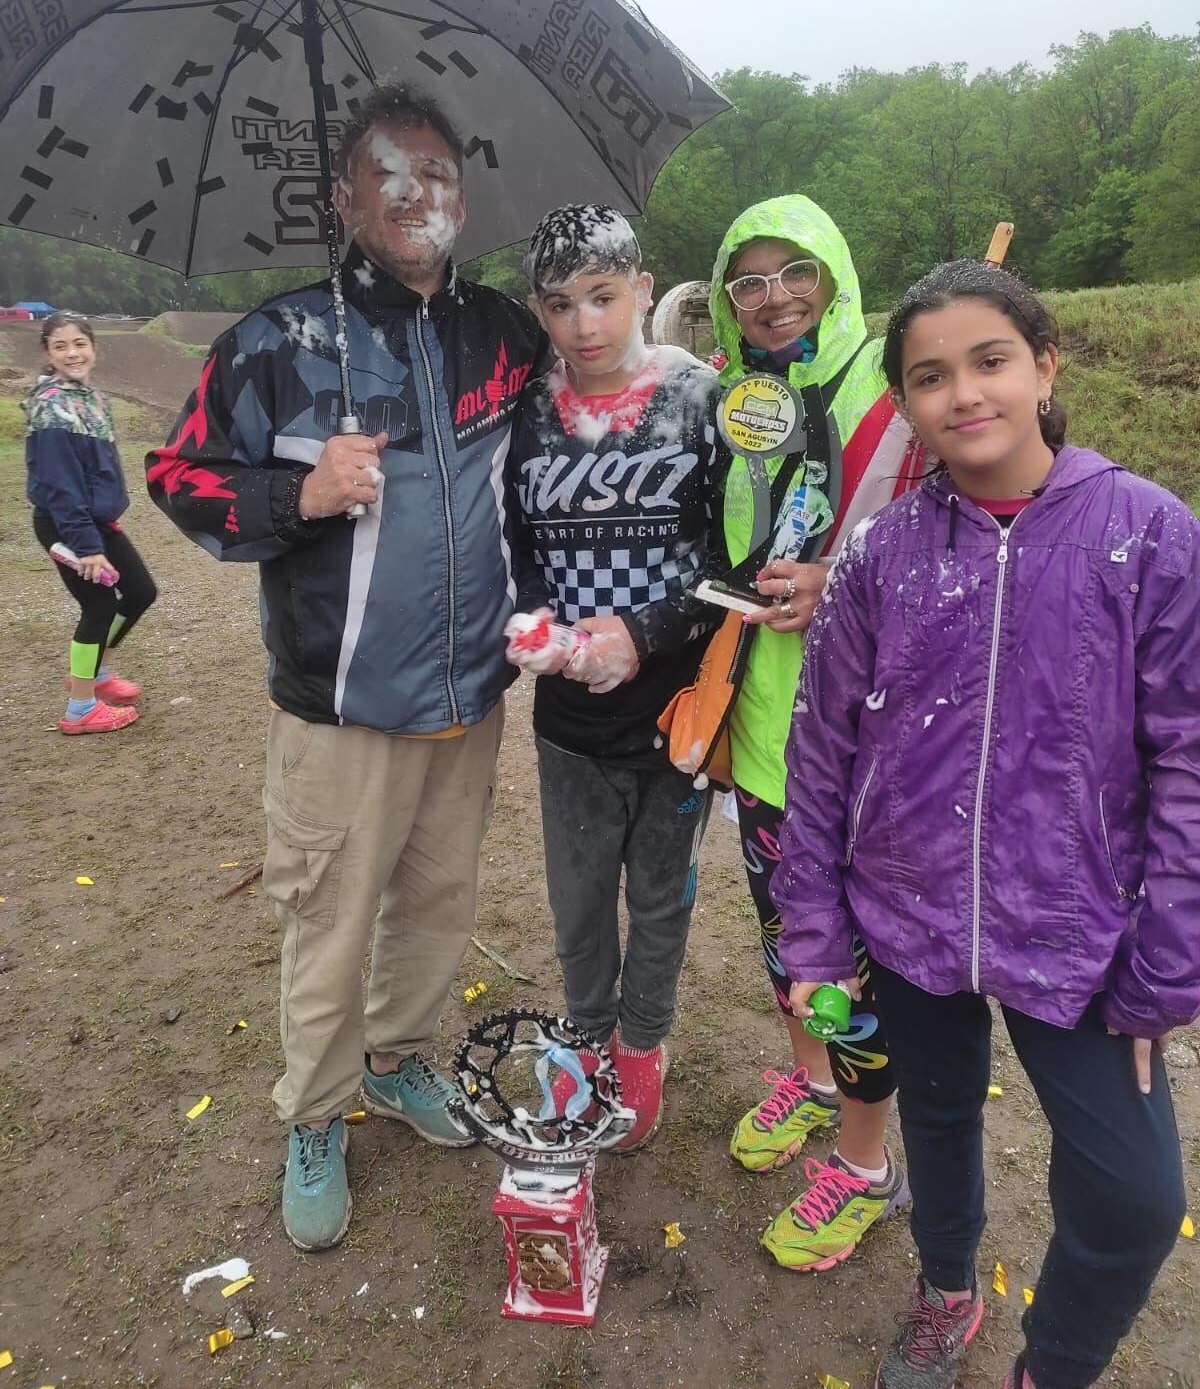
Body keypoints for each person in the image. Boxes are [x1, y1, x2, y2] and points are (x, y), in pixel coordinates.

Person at [774, 259, 1197, 1388]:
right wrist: (813, 931)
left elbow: (1191, 761)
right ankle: (946, 1285)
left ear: (1044, 366)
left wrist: (1165, 962)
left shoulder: (1150, 535)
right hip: (908, 915)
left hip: (1082, 934)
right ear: (905, 402)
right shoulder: (881, 554)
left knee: (1137, 1195)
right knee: (942, 1115)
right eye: (929, 375)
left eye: (990, 360)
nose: (964, 393)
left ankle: (1051, 1365)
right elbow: (819, 754)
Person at [147, 83, 552, 1251]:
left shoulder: (502, 334)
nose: (416, 191)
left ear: (462, 197)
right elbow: (178, 478)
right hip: (337, 706)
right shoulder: (274, 343)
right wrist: (300, 491)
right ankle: (314, 1113)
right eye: (391, 171)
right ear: (346, 195)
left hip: (472, 693)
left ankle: (399, 1061)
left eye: (436, 173)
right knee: (330, 917)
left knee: (435, 904)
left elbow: (560, 453)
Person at [709, 196, 921, 1269]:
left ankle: (869, 1162)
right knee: (788, 946)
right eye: (748, 280)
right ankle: (810, 1080)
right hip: (758, 731)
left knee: (848, 971)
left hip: (865, 747)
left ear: (836, 270)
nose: (775, 294)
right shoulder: (738, 397)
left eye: (796, 269)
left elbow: (975, 534)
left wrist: (839, 580)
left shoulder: (900, 382)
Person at [505, 205, 725, 1148]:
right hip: (569, 722)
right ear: (539, 312)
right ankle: (586, 1035)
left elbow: (739, 558)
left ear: (643, 288)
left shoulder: (704, 402)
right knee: (580, 896)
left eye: (603, 297)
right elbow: (513, 541)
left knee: (661, 897)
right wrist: (535, 625)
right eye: (560, 305)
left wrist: (642, 632)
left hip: (677, 712)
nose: (585, 325)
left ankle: (642, 1046)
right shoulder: (526, 410)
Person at [26, 315, 156, 734]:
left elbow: (97, 472)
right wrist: (86, 546)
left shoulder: (92, 399)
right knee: (98, 606)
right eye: (61, 346)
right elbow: (60, 486)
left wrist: (104, 521)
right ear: (48, 352)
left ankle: (98, 674)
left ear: (94, 348)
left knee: (139, 591)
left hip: (94, 522)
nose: (72, 353)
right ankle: (80, 708)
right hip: (67, 525)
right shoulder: (51, 406)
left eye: (80, 343)